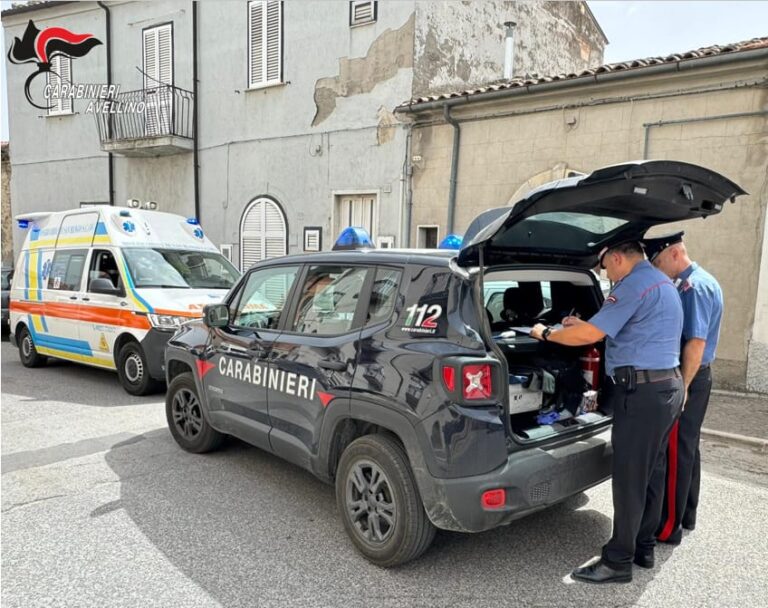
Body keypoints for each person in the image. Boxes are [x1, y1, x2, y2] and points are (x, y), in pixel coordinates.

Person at [530, 239, 684, 584]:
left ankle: (617, 562)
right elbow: (625, 328)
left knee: (630, 477)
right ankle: (643, 547)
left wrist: (547, 332)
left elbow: (590, 334)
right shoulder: (661, 282)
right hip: (666, 389)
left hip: (642, 394)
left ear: (616, 258)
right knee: (652, 472)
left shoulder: (632, 285)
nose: (606, 275)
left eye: (605, 268)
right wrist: (581, 325)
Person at [642, 231, 723, 544]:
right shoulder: (703, 280)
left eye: (659, 262)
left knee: (676, 451)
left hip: (690, 375)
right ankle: (687, 514)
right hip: (699, 375)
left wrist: (683, 387)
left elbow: (695, 343)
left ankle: (667, 527)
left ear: (675, 254)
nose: (658, 269)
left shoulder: (692, 288)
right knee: (688, 447)